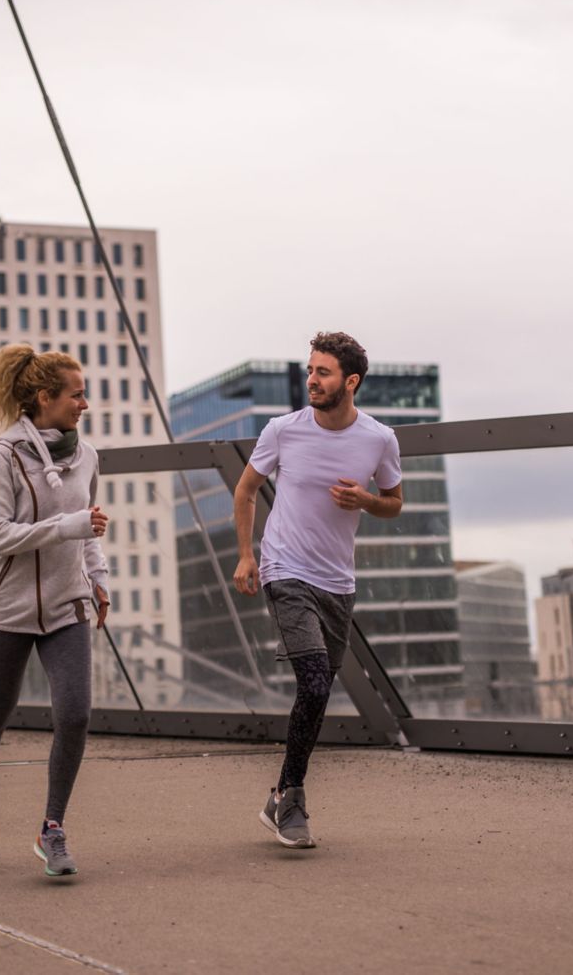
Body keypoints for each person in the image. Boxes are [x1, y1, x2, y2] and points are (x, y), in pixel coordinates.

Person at [232, 331, 403, 848]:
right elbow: (245, 491)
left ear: (350, 382)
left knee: (318, 692)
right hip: (285, 570)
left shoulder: (379, 439)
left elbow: (394, 501)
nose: (312, 379)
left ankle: (279, 792)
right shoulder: (283, 431)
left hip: (337, 583)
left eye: (323, 372)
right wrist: (247, 555)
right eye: (310, 369)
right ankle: (296, 798)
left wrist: (366, 501)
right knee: (312, 682)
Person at [0, 345, 110, 878]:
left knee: (75, 714)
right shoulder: (5, 456)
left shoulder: (86, 456)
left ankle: (53, 830)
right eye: (76, 394)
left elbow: (88, 530)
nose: (84, 403)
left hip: (67, 605)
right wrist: (69, 527)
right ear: (45, 398)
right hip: (6, 609)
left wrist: (99, 578)